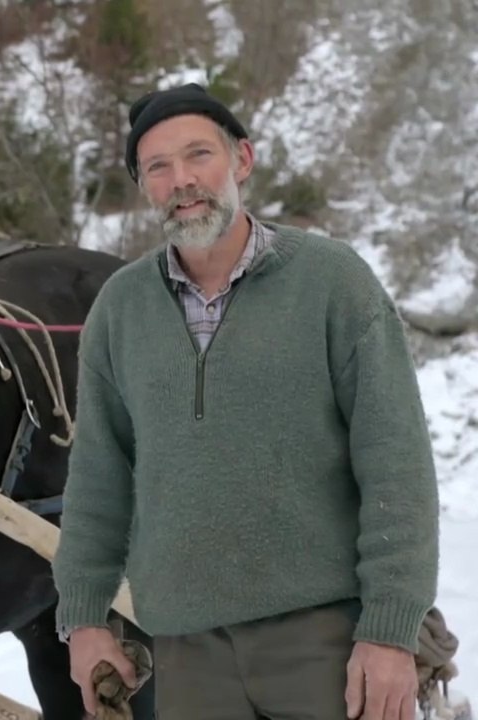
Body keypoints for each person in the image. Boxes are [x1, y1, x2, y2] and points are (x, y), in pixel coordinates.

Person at [51, 83, 441, 720]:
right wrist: (85, 619)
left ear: (242, 160)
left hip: (326, 645)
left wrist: (390, 631)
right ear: (144, 185)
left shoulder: (333, 282)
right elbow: (98, 479)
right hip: (187, 656)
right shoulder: (119, 310)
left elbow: (396, 466)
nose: (182, 179)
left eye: (198, 155)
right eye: (158, 166)